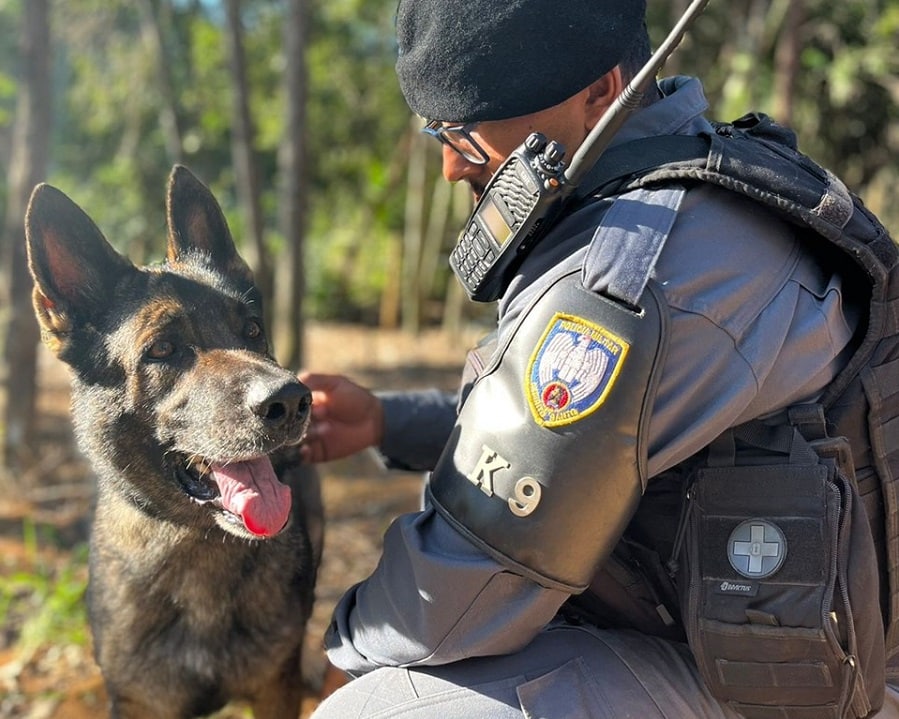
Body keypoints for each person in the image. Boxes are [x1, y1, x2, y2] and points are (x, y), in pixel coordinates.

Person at [301, 1, 899, 717]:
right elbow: (587, 440)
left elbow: (460, 594)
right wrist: (387, 423)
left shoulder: (631, 280)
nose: (447, 164)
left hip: (797, 688)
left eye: (462, 130)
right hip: (776, 637)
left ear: (598, 94)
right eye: (435, 130)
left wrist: (339, 653)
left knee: (369, 711)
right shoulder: (710, 186)